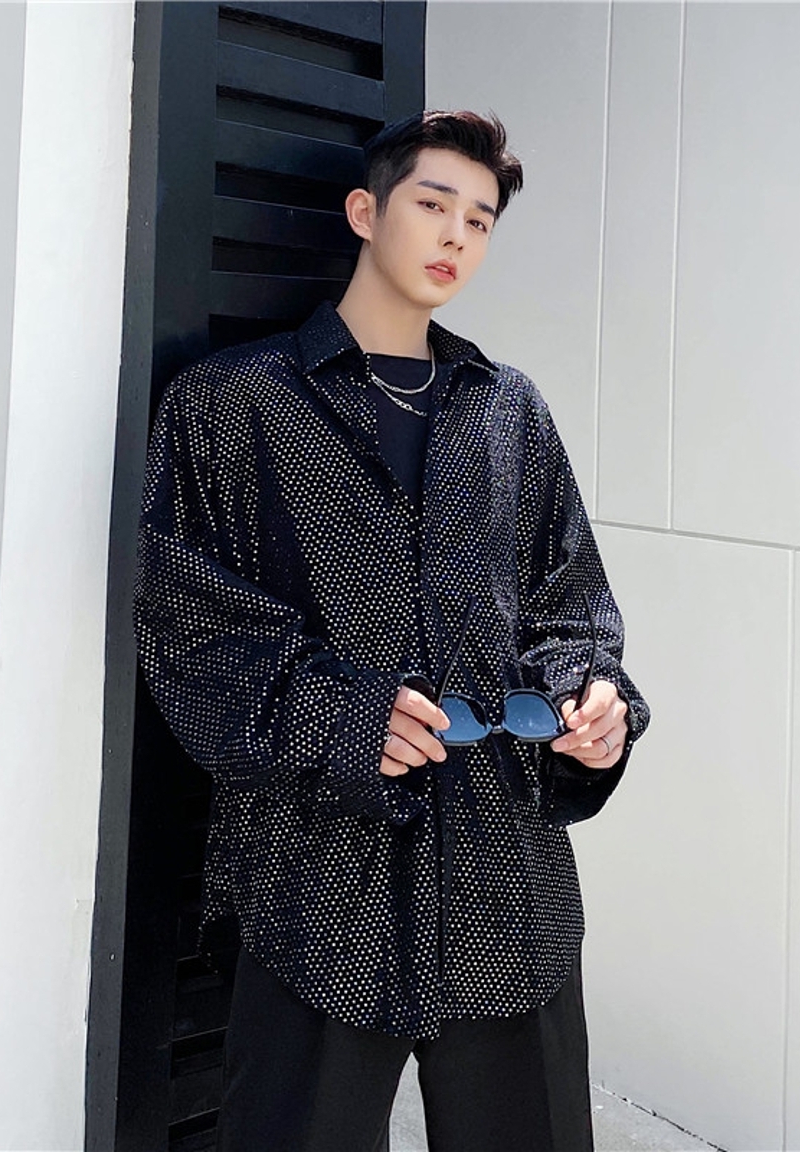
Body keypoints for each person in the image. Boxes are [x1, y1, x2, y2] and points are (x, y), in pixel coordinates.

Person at [134, 111, 649, 1152]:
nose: (457, 235)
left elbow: (567, 600)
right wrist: (342, 717)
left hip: (506, 877)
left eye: (481, 220)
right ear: (366, 211)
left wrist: (591, 699)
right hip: (317, 877)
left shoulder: (509, 410)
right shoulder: (232, 405)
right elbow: (188, 629)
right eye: (433, 203)